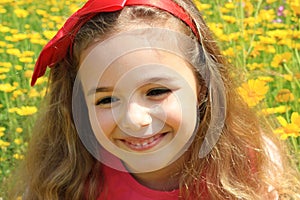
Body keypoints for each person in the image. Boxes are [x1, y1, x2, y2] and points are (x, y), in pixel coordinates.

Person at [11, 0, 300, 199]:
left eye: (156, 92)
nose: (135, 120)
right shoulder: (69, 179)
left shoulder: (250, 165)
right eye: (106, 100)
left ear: (203, 85)